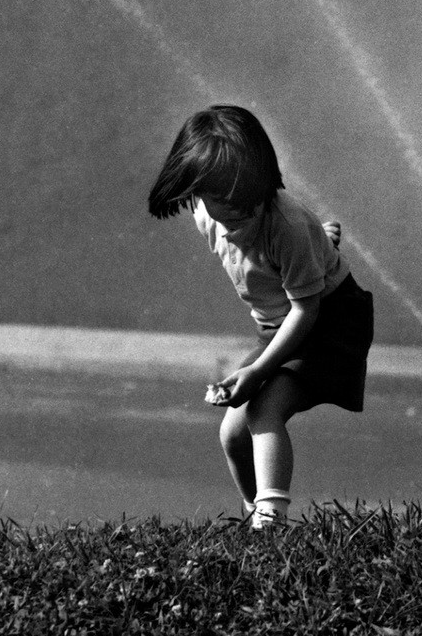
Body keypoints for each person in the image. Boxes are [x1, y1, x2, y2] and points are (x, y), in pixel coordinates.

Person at [149, 104, 374, 528]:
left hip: (329, 321)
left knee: (263, 411)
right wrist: (319, 245)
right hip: (279, 326)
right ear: (192, 185)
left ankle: (271, 522)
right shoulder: (204, 211)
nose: (237, 210)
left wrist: (257, 372)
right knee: (231, 434)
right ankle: (256, 513)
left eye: (247, 198)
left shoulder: (285, 224)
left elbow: (308, 307)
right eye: (222, 199)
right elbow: (276, 261)